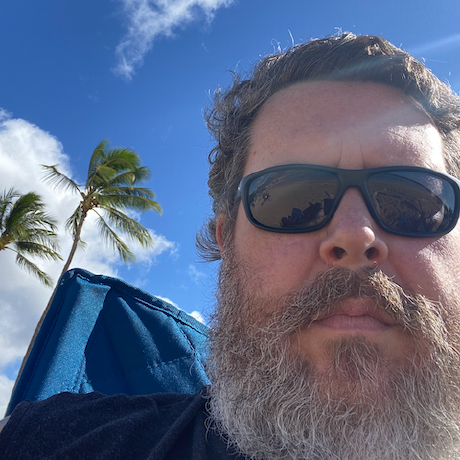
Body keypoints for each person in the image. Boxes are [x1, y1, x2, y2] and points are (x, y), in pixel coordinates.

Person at [2, 32, 460, 459]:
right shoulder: (49, 443)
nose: (356, 235)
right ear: (227, 244)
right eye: (293, 201)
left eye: (413, 201)